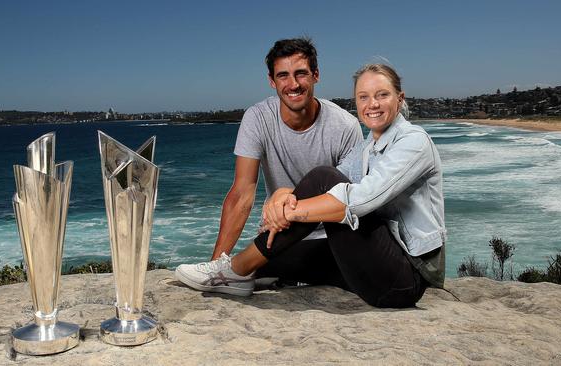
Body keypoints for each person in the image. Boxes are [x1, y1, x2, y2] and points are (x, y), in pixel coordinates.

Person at [176, 63, 446, 308]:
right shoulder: (368, 147)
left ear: (400, 98)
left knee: (322, 177)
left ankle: (231, 270)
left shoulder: (414, 142)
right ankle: (240, 274)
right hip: (376, 267)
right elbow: (333, 184)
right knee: (276, 259)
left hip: (405, 279)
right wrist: (284, 195)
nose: (372, 104)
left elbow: (357, 200)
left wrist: (289, 211)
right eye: (363, 97)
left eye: (382, 95)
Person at [208, 37, 363, 278]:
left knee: (255, 269)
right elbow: (242, 194)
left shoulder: (345, 126)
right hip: (278, 233)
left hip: (329, 237)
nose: (293, 84)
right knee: (246, 269)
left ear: (316, 75)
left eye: (301, 73)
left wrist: (285, 197)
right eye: (283, 76)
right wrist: (214, 267)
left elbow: (347, 200)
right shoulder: (258, 118)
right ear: (272, 81)